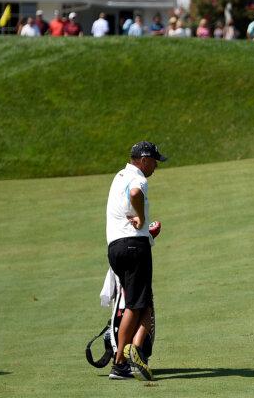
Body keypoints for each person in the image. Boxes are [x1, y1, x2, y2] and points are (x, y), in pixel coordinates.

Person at [105, 141, 167, 381]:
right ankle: (120, 361)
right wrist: (141, 218)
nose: (155, 167)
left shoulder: (119, 176)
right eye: (154, 161)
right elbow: (135, 194)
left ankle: (137, 349)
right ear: (143, 160)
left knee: (142, 303)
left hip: (116, 247)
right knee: (135, 304)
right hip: (134, 246)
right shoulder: (139, 179)